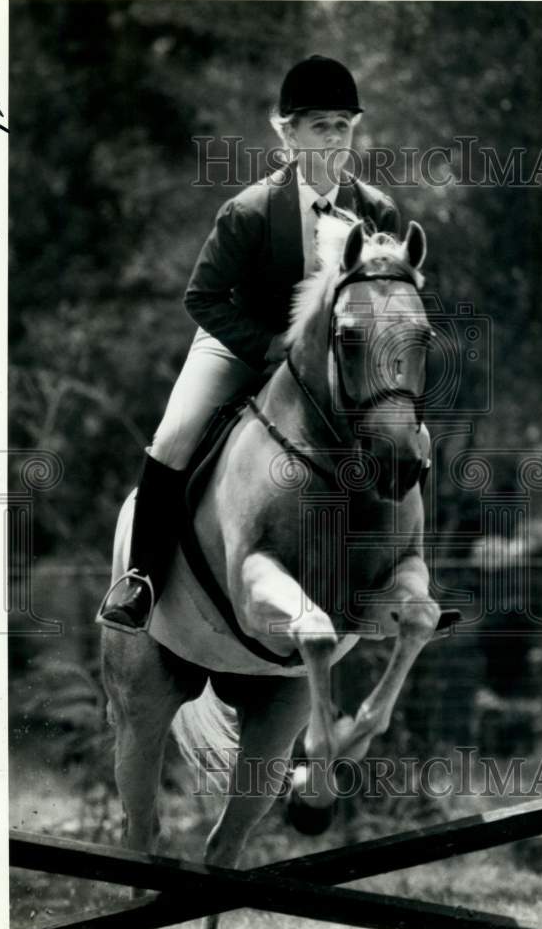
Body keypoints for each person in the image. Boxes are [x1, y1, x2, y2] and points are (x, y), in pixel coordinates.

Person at [98, 55, 402, 632]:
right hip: (241, 345)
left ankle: (398, 580)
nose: (335, 137)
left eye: (343, 124)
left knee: (403, 430)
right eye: (320, 125)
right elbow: (203, 298)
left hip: (335, 360)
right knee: (175, 433)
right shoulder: (250, 210)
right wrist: (267, 349)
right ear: (288, 133)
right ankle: (139, 579)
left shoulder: (376, 209)